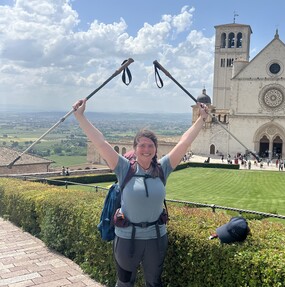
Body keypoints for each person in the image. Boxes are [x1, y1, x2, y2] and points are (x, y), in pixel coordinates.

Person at [72, 98, 208, 287]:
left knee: (154, 283)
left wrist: (201, 120)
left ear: (155, 149)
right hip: (127, 238)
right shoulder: (124, 168)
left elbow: (184, 143)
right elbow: (101, 143)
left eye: (150, 145)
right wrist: (80, 117)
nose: (146, 149)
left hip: (156, 237)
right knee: (125, 283)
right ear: (135, 149)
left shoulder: (163, 168)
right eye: (142, 145)